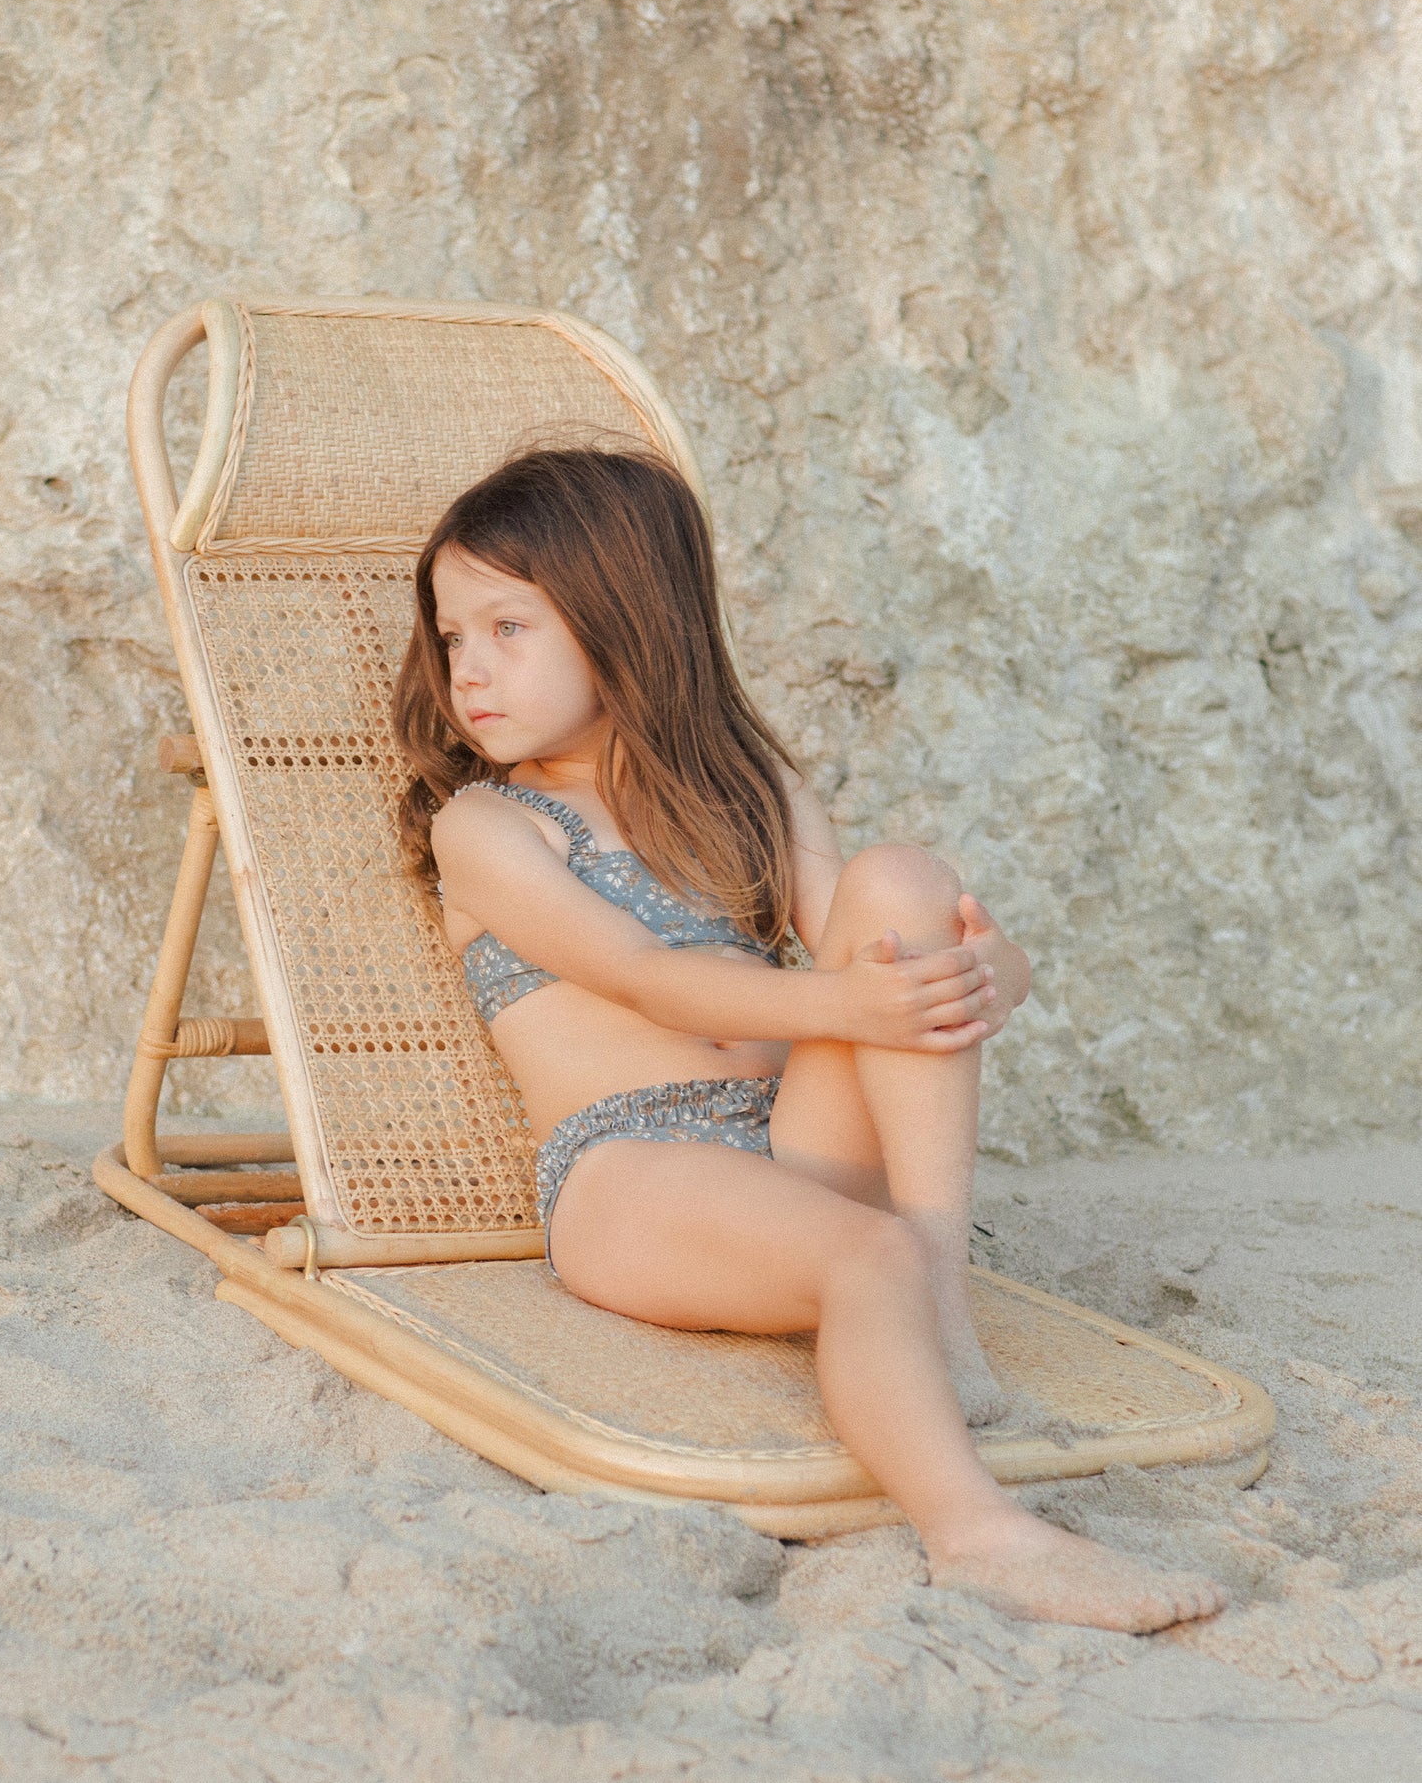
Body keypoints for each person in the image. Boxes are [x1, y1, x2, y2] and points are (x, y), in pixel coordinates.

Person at [392, 446, 1225, 1632]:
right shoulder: (489, 825)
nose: (467, 668)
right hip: (631, 1171)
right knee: (859, 1256)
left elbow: (870, 946)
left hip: (788, 1134)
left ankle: (939, 1281)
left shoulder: (744, 790)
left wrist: (995, 970)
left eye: (506, 628)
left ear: (622, 616)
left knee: (901, 877)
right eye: (451, 637)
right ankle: (977, 1536)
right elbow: (646, 979)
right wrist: (855, 1008)